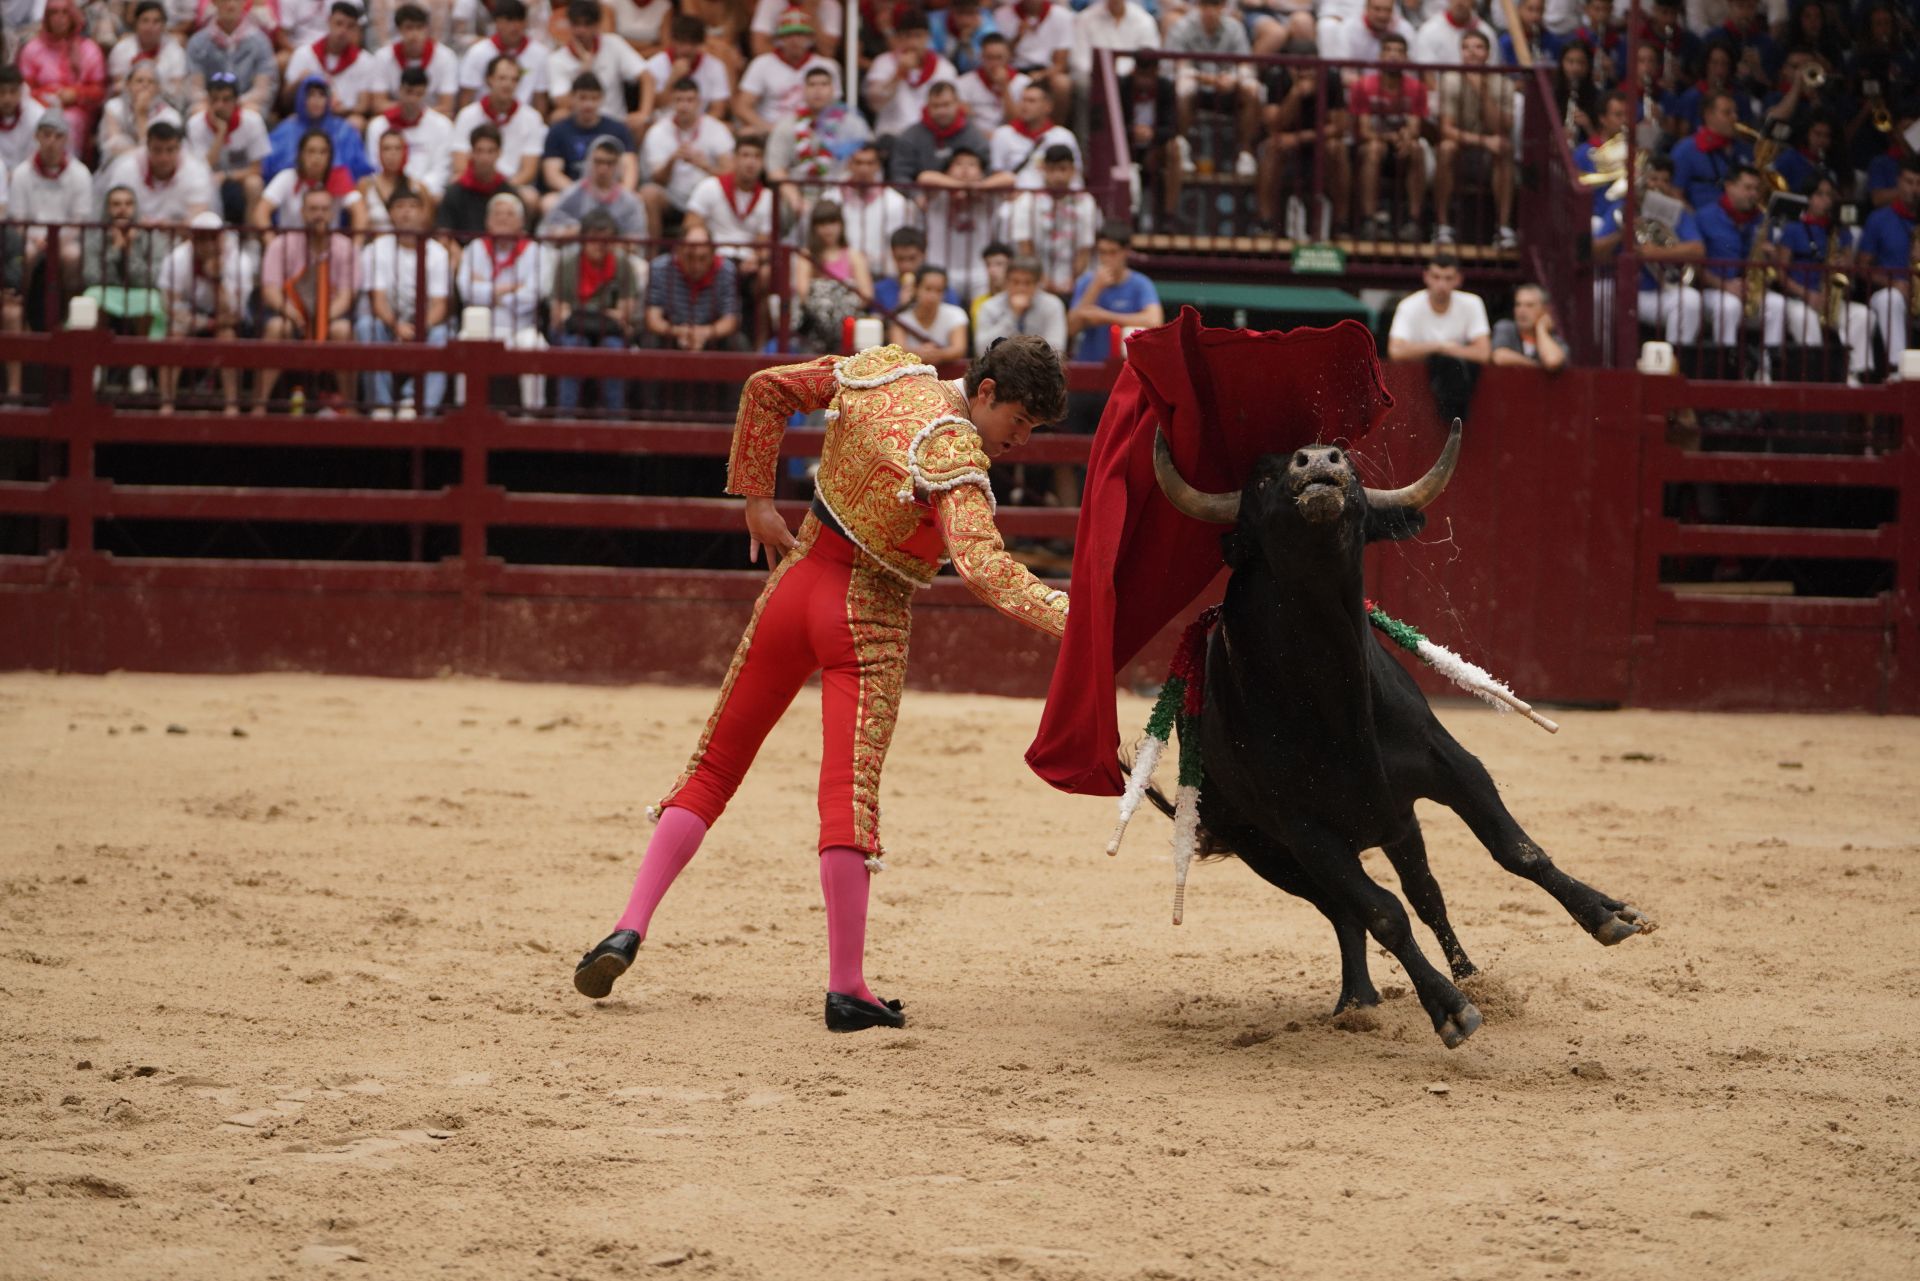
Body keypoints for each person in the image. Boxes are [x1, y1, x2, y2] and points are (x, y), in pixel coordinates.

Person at [570, 334, 1072, 1033]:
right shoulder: (955, 455)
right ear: (986, 391)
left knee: (713, 766)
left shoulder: (885, 368)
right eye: (1020, 419)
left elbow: (766, 389)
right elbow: (987, 571)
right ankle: (846, 986)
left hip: (794, 583)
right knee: (847, 797)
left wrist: (755, 500)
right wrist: (1078, 621)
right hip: (865, 618)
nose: (1021, 437)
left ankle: (627, 925)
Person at [4, 114, 92, 400]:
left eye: (58, 136)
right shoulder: (22, 173)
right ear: (37, 137)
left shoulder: (79, 174)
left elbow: (79, 222)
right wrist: (38, 240)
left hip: (65, 239)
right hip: (32, 237)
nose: (52, 142)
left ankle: (67, 317)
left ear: (66, 140)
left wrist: (56, 240)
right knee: (24, 255)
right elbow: (17, 221)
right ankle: (24, 309)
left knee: (72, 257)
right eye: (46, 135)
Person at [257, 187, 358, 411]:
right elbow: (271, 290)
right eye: (313, 209)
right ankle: (259, 405)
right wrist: (293, 313)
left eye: (324, 209)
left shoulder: (345, 247)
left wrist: (322, 315)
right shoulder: (281, 244)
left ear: (332, 214)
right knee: (275, 327)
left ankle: (349, 406)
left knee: (344, 331)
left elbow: (347, 294)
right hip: (290, 315)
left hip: (330, 316)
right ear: (302, 212)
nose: (319, 215)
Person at [355, 183, 451, 416]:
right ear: (390, 213)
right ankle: (381, 405)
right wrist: (396, 326)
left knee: (443, 335)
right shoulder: (377, 249)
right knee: (367, 327)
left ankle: (416, 406)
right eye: (399, 206)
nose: (406, 211)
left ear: (423, 213)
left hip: (424, 322)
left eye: (412, 206)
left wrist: (420, 327)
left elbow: (440, 304)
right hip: (388, 321)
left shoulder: (438, 253)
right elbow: (377, 300)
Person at [455, 192, 549, 407]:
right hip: (480, 328)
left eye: (509, 214)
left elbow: (533, 296)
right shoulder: (475, 248)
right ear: (487, 221)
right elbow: (466, 291)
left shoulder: (535, 251)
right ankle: (465, 409)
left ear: (521, 222)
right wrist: (509, 288)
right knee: (463, 342)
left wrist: (487, 291)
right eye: (497, 214)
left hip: (522, 327)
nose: (503, 219)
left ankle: (532, 415)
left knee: (535, 346)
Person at [1774, 177, 1870, 386]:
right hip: (1800, 298)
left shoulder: (1840, 232)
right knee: (1803, 319)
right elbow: (1781, 274)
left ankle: (1854, 372)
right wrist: (1806, 294)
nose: (1825, 200)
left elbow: (1849, 274)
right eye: (1820, 194)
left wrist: (1845, 265)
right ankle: (1815, 375)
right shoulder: (1792, 229)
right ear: (1809, 198)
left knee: (1863, 315)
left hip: (1831, 299)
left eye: (1829, 195)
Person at [157, 210, 253, 414]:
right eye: (201, 238)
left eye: (212, 238)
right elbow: (170, 306)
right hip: (190, 316)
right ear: (192, 239)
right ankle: (166, 403)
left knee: (227, 338)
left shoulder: (240, 261)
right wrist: (202, 323)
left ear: (222, 238)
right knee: (173, 338)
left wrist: (217, 280)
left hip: (226, 321)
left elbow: (236, 313)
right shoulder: (177, 259)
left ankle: (231, 405)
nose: (207, 244)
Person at [550, 206, 642, 412]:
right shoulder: (567, 264)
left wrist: (579, 312)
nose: (600, 245)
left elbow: (626, 313)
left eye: (606, 239)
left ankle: (615, 419)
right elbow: (557, 314)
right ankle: (566, 418)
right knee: (573, 347)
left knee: (613, 349)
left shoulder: (623, 264)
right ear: (582, 239)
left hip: (610, 332)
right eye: (594, 238)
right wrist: (605, 314)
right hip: (573, 331)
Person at [1695, 164, 1787, 370]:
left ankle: (1768, 369)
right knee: (1729, 305)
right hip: (1713, 291)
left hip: (1750, 290)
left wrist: (1771, 259)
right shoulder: (1704, 217)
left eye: (1756, 189)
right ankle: (1725, 368)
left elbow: (1771, 271)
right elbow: (1694, 267)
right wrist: (1724, 285)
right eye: (1747, 188)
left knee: (1777, 303)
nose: (1753, 194)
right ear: (1729, 186)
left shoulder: (1762, 220)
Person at [1256, 38, 1348, 239]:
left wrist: (1301, 137)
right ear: (1289, 66)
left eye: (1311, 68)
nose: (1306, 74)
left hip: (1318, 140)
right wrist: (1295, 95)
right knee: (1272, 148)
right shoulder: (1276, 76)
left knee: (1337, 148)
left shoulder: (1331, 77)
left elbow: (1339, 126)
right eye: (1299, 68)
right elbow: (1274, 125)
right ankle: (1265, 223)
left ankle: (1342, 224)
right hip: (1286, 141)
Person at [1432, 29, 1514, 250]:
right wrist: (1483, 141)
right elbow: (1446, 130)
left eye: (1478, 47)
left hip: (1489, 154)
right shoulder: (1450, 80)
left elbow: (1502, 128)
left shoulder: (1502, 83)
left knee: (1504, 149)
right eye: (1466, 47)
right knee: (1446, 148)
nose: (1472, 53)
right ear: (1461, 52)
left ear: (1488, 53)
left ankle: (1503, 228)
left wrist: (1482, 92)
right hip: (1462, 149)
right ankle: (1442, 226)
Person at [1388, 254, 1489, 425]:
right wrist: (1440, 346)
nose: (1441, 284)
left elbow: (1484, 353)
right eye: (1436, 277)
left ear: (1458, 280)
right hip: (1418, 396)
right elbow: (1395, 351)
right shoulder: (1409, 306)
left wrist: (1443, 350)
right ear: (1426, 277)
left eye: (1448, 278)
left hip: (1461, 386)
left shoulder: (1472, 303)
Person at [1164, 0, 1259, 180]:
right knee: (1183, 86)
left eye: (1215, 6)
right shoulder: (1182, 27)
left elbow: (1245, 66)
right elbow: (1175, 66)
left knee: (1252, 89)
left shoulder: (1234, 28)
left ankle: (1246, 154)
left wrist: (1233, 79)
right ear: (1198, 7)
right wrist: (1207, 78)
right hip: (1195, 87)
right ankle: (1182, 148)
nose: (1210, 11)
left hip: (1226, 89)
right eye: (1205, 5)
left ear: (1223, 7)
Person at [1353, 32, 1429, 243]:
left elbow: (1415, 127)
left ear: (1406, 58)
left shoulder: (1417, 88)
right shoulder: (1363, 86)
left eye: (1399, 52)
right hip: (1374, 146)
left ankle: (1413, 221)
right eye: (1388, 51)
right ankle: (1369, 220)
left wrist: (1405, 138)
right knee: (1373, 148)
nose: (1393, 56)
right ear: (1380, 56)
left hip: (1400, 147)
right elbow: (1365, 130)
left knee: (1416, 148)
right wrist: (1387, 137)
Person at [451, 57, 547, 211]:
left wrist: (502, 188)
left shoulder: (532, 117)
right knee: (453, 187)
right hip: (475, 181)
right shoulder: (467, 115)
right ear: (489, 79)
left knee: (530, 197)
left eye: (514, 80)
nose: (508, 84)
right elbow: (460, 165)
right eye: (502, 78)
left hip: (512, 184)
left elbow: (529, 170)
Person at [639, 77, 735, 231]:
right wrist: (672, 160)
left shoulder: (716, 129)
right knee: (648, 193)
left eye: (690, 100)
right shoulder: (658, 131)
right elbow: (657, 180)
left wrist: (705, 166)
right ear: (672, 102)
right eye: (679, 100)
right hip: (671, 199)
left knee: (720, 193)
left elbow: (731, 173)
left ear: (699, 102)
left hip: (706, 198)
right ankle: (652, 254)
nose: (684, 106)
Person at [83, 185, 170, 351]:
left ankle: (140, 363)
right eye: (116, 204)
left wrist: (130, 253)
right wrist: (115, 250)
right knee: (91, 297)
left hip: (139, 291)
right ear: (107, 209)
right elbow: (91, 277)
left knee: (151, 300)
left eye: (128, 204)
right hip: (106, 291)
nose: (122, 209)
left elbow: (154, 278)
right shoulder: (95, 236)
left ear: (135, 208)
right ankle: (96, 360)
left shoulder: (151, 236)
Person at [685, 132, 773, 290]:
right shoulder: (710, 186)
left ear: (763, 162)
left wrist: (756, 258)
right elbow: (692, 226)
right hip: (713, 257)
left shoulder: (768, 198)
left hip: (747, 261)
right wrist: (709, 253)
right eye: (745, 155)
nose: (751, 162)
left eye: (757, 157)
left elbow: (763, 242)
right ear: (734, 159)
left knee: (766, 273)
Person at [20, 0, 107, 155]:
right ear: (46, 17)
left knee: (69, 120)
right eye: (54, 13)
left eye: (64, 13)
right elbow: (24, 89)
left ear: (72, 16)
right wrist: (45, 96)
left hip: (77, 110)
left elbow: (99, 91)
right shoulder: (32, 49)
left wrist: (75, 94)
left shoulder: (89, 50)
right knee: (36, 117)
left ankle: (66, 166)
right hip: (40, 107)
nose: (59, 18)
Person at [1066, 219, 1160, 363]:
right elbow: (1071, 328)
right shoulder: (1086, 282)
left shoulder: (1141, 283)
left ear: (1126, 251)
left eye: (1113, 252)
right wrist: (1095, 287)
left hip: (1127, 368)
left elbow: (1154, 321)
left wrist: (1105, 316)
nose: (1107, 259)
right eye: (1102, 252)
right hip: (1090, 366)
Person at [1010, 143, 1097, 298]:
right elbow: (1025, 247)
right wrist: (1043, 280)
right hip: (1035, 280)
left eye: (1063, 169)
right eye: (1052, 169)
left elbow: (1085, 249)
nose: (1058, 176)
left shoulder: (1086, 202)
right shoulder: (1026, 201)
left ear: (1073, 171)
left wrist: (1072, 281)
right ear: (1043, 170)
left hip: (1075, 281)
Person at [735, 8, 839, 136]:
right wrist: (769, 129)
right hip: (770, 130)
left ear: (810, 38)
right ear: (779, 39)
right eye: (789, 35)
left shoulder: (827, 66)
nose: (794, 40)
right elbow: (742, 107)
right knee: (746, 133)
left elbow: (835, 107)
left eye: (800, 34)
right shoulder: (761, 64)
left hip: (814, 132)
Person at [542, 72, 637, 212]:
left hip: (612, 193)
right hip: (574, 193)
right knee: (549, 202)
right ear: (572, 98)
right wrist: (582, 193)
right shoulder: (558, 131)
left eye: (594, 98)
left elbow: (630, 168)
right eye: (583, 98)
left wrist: (620, 194)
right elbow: (552, 174)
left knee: (638, 200)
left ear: (602, 99)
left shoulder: (618, 129)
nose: (588, 104)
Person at [1860, 158, 1919, 381]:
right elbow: (1862, 268)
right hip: (1890, 292)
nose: (1914, 189)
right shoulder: (1879, 219)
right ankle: (1899, 369)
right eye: (1909, 182)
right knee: (1890, 298)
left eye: (1918, 183)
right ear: (1898, 182)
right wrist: (1892, 283)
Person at [766, 65, 870, 188]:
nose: (818, 90)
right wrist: (796, 200)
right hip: (798, 193)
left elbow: (869, 162)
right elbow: (775, 169)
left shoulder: (852, 125)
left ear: (833, 90)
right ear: (803, 90)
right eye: (812, 85)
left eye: (824, 84)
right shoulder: (786, 126)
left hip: (843, 193)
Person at [189, 70, 271, 225]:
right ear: (207, 101)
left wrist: (227, 176)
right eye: (215, 100)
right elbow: (203, 168)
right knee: (204, 183)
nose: (220, 105)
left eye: (226, 100)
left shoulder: (253, 121)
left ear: (236, 102)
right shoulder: (195, 124)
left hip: (239, 180)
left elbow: (256, 169)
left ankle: (250, 238)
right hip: (209, 181)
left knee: (254, 184)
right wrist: (221, 133)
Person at [548, 0, 649, 124]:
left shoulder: (614, 43)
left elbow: (647, 77)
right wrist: (584, 72)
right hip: (579, 125)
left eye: (587, 24)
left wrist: (644, 113)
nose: (581, 30)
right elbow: (561, 102)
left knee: (638, 123)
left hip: (615, 122)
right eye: (576, 24)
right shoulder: (556, 59)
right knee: (559, 116)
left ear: (597, 25)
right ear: (569, 25)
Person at [790, 198, 871, 353]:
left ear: (841, 224)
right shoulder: (807, 256)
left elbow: (866, 296)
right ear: (814, 227)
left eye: (833, 222)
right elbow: (803, 293)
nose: (828, 229)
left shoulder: (854, 256)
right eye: (822, 224)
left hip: (847, 326)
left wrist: (839, 301)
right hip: (814, 328)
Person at [643, 225, 742, 350]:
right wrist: (680, 332)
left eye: (703, 258)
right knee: (650, 341)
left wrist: (704, 333)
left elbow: (730, 320)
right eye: (689, 257)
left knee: (738, 342)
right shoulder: (659, 268)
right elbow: (653, 319)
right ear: (678, 251)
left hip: (712, 335)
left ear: (713, 254)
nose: (696, 266)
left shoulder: (727, 270)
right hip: (672, 333)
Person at [920, 150, 1001, 302]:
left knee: (983, 312)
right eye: (958, 164)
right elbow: (925, 177)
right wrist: (961, 186)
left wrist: (977, 188)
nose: (965, 169)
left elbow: (1009, 179)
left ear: (982, 172)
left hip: (979, 272)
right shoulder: (938, 194)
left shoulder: (987, 196)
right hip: (942, 269)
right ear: (947, 171)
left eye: (972, 164)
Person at [98, 119, 215, 223]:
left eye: (170, 150)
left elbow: (197, 221)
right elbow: (113, 213)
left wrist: (168, 227)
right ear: (147, 148)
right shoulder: (125, 168)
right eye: (157, 150)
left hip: (180, 239)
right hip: (134, 238)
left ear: (179, 148)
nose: (164, 158)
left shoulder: (197, 172)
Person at [366, 67, 455, 200]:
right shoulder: (378, 126)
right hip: (385, 192)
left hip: (427, 194)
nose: (413, 99)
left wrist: (416, 190)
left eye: (418, 94)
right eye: (409, 92)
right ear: (400, 91)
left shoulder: (442, 126)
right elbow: (374, 165)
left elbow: (441, 169)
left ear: (425, 93)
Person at [864, 12, 957, 139]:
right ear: (899, 38)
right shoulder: (883, 62)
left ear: (928, 37)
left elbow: (951, 108)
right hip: (892, 134)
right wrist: (898, 73)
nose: (912, 42)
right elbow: (874, 103)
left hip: (931, 138)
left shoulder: (944, 68)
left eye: (918, 36)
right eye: (907, 36)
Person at [284, 2, 381, 123]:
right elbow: (285, 101)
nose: (343, 31)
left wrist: (341, 109)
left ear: (356, 29)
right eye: (339, 23)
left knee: (357, 122)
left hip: (343, 119)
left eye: (350, 26)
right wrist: (299, 82)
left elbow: (363, 106)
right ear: (328, 22)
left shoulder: (364, 60)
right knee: (290, 120)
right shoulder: (304, 54)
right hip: (307, 118)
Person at [889, 79, 996, 186]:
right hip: (923, 197)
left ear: (957, 103)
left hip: (970, 197)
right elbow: (900, 175)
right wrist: (917, 196)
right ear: (927, 106)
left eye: (946, 105)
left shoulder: (973, 136)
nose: (941, 111)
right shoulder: (910, 137)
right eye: (936, 106)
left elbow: (987, 171)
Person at [266, 76, 372, 184]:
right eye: (311, 95)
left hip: (337, 189)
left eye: (321, 95)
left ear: (328, 99)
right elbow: (269, 169)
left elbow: (360, 170)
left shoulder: (344, 130)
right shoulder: (286, 130)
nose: (316, 101)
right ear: (301, 98)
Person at [257, 127, 364, 229]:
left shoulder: (338, 179)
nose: (317, 157)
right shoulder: (287, 177)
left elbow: (360, 212)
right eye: (311, 151)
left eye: (323, 152)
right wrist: (271, 242)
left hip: (328, 246)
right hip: (290, 245)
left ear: (330, 156)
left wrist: (355, 245)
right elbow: (261, 211)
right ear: (300, 154)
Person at [184, 0, 277, 114]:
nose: (231, 4)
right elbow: (194, 88)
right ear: (214, 2)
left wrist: (232, 104)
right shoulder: (197, 42)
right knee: (197, 112)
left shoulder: (261, 42)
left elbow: (263, 90)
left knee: (253, 114)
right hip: (209, 105)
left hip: (245, 105)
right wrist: (217, 103)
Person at [547, 134, 650, 237]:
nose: (603, 169)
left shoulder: (630, 201)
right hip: (575, 251)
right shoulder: (572, 195)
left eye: (610, 163)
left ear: (618, 165)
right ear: (589, 161)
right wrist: (577, 231)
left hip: (616, 252)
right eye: (598, 162)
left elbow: (638, 241)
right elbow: (548, 233)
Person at [837, 143, 915, 278]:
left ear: (878, 166)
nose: (864, 169)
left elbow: (901, 245)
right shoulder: (833, 198)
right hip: (843, 274)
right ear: (849, 164)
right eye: (858, 162)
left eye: (869, 163)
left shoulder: (896, 202)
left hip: (883, 275)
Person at [457, 0, 549, 110]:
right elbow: (467, 96)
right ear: (497, 23)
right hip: (485, 119)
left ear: (525, 22)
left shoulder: (540, 54)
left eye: (519, 20)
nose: (515, 27)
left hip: (522, 119)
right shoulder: (478, 52)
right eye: (509, 20)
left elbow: (540, 98)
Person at [988, 80, 1079, 189]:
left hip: (1053, 202)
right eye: (1023, 100)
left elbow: (1075, 178)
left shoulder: (1064, 136)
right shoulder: (1002, 134)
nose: (1025, 105)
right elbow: (996, 175)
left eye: (1031, 101)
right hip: (1013, 203)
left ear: (1048, 106)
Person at [372, 3, 460, 114]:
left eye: (419, 27)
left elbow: (447, 106)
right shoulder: (383, 56)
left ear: (427, 29)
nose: (414, 34)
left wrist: (415, 113)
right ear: (399, 30)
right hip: (396, 118)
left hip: (432, 117)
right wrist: (409, 112)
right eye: (409, 28)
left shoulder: (446, 56)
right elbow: (379, 105)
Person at [1670, 91, 1750, 212]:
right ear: (1708, 115)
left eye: (1735, 113)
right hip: (1704, 220)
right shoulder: (1686, 149)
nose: (1735, 118)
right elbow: (1674, 193)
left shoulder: (1742, 148)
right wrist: (1695, 220)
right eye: (1727, 113)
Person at [98, 61, 184, 168]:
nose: (145, 85)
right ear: (128, 84)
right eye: (139, 81)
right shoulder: (114, 107)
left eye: (151, 82)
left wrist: (141, 115)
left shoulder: (169, 115)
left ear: (158, 88)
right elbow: (112, 146)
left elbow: (156, 151)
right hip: (118, 164)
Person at [974, 253, 1066, 353]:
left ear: (1037, 284)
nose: (1021, 288)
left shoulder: (1053, 305)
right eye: (1015, 282)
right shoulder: (989, 306)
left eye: (1028, 283)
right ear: (1006, 281)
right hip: (1001, 367)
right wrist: (1013, 315)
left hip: (1039, 367)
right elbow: (981, 349)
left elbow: (1057, 350)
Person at [994, 0, 1072, 117]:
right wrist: (1018, 36)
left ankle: (1053, 130)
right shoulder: (1002, 14)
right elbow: (999, 55)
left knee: (1062, 83)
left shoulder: (1062, 16)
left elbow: (1060, 64)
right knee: (999, 75)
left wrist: (1042, 74)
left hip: (1045, 72)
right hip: (1013, 70)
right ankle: (1014, 128)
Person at [108, 0, 191, 106]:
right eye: (145, 21)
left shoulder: (175, 51)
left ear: (164, 25)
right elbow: (117, 87)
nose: (150, 27)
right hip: (127, 105)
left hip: (164, 106)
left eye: (156, 21)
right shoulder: (122, 49)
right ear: (136, 23)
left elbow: (177, 89)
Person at [438, 121, 510, 233]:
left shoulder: (508, 193)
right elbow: (444, 234)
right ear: (471, 153)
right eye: (479, 151)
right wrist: (467, 252)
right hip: (461, 249)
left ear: (499, 153)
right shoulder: (454, 192)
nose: (485, 158)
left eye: (490, 151)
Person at [955, 33, 1027, 135]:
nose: (994, 63)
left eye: (999, 58)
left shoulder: (1023, 83)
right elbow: (962, 122)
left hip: (1012, 138)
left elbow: (1016, 121)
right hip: (977, 137)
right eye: (989, 58)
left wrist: (1004, 87)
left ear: (1008, 57)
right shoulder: (964, 82)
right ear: (981, 57)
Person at [1490, 284, 1568, 371]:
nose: (1522, 310)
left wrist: (1541, 329)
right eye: (1518, 305)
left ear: (1545, 310)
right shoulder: (1506, 328)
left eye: (1529, 305)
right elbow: (1500, 357)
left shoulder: (1553, 340)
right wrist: (1538, 368)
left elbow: (1553, 361)